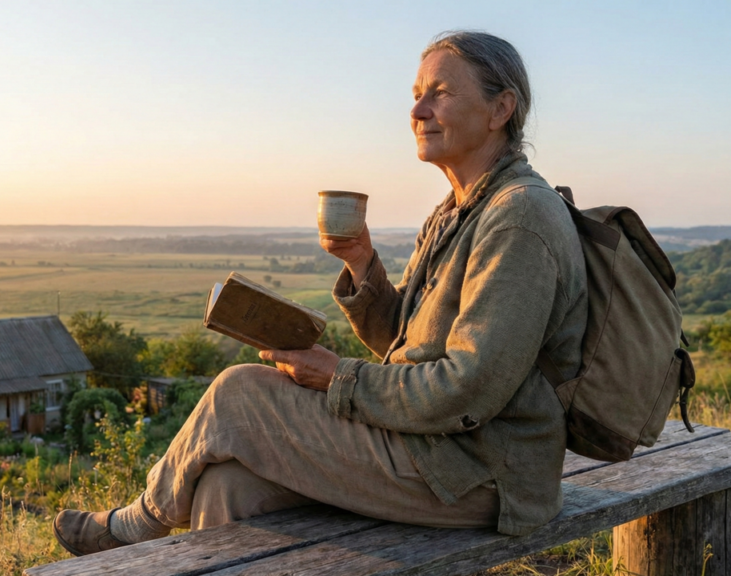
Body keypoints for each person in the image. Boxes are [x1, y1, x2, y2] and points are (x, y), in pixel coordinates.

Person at [52, 30, 588, 556]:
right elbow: (408, 344)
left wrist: (338, 377)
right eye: (415, 95)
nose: (418, 111)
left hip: (484, 472)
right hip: (434, 449)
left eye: (440, 93)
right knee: (229, 487)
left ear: (501, 109)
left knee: (240, 393)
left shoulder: (519, 216)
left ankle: (137, 524)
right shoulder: (456, 209)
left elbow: (468, 390)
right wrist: (362, 265)